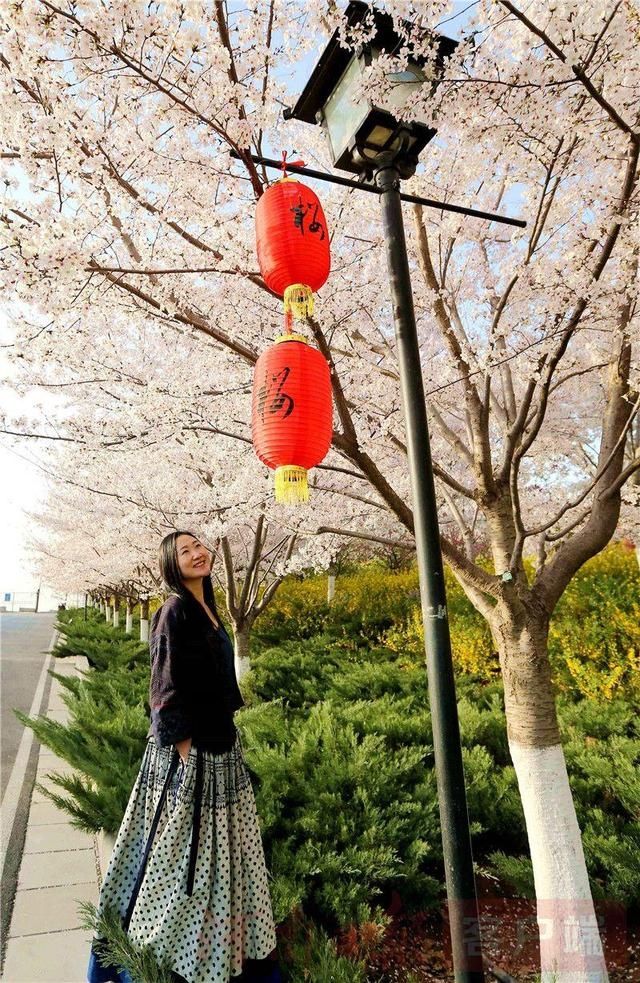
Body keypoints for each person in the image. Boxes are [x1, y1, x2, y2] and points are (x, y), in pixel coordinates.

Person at [87, 530, 282, 983]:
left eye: (198, 546)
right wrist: (188, 755)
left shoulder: (209, 609)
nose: (196, 554)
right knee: (175, 864)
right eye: (184, 552)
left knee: (221, 865)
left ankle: (216, 954)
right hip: (189, 760)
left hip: (221, 751)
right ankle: (156, 961)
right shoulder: (173, 611)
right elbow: (165, 690)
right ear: (171, 566)